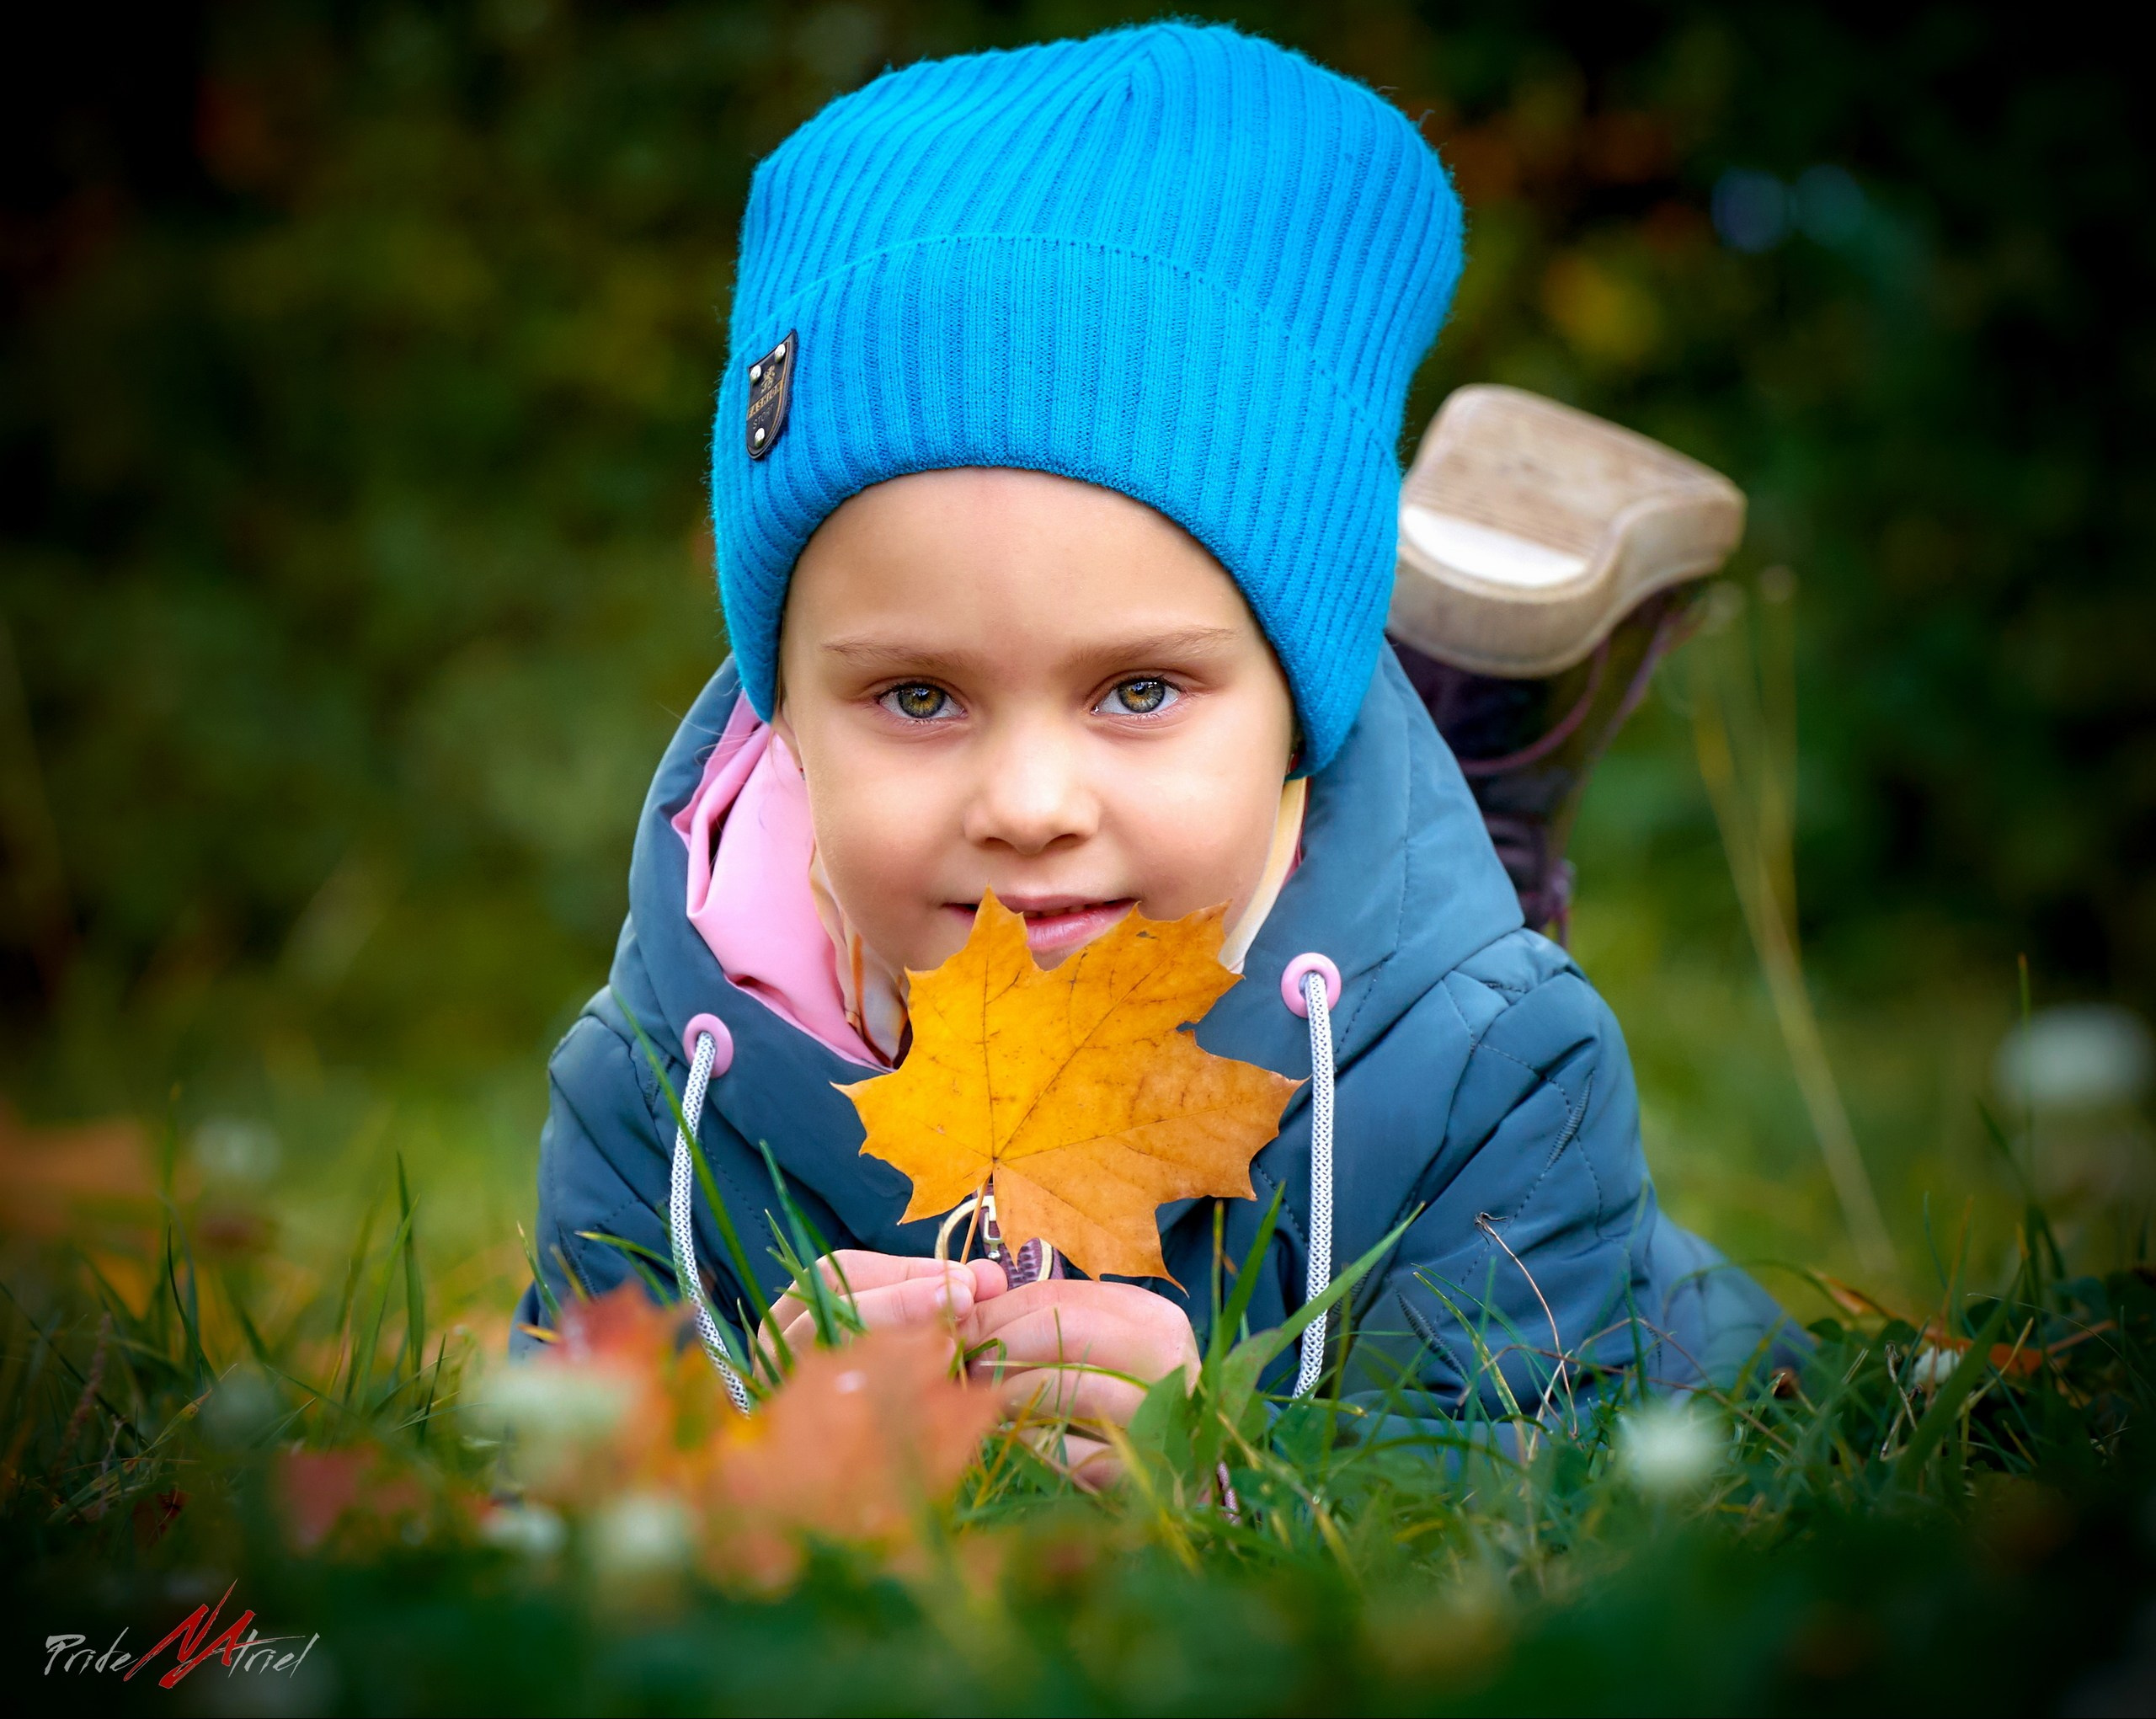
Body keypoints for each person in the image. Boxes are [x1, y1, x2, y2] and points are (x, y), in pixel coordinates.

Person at [514, 20, 1798, 1477]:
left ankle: (1468, 809)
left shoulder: (1487, 1065)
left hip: (1678, 1330)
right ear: (784, 711)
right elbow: (554, 1485)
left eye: (1136, 689)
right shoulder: (658, 1089)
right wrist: (747, 1442)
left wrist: (1241, 1469)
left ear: (1299, 710)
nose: (1030, 804)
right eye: (919, 697)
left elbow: (1558, 1498)